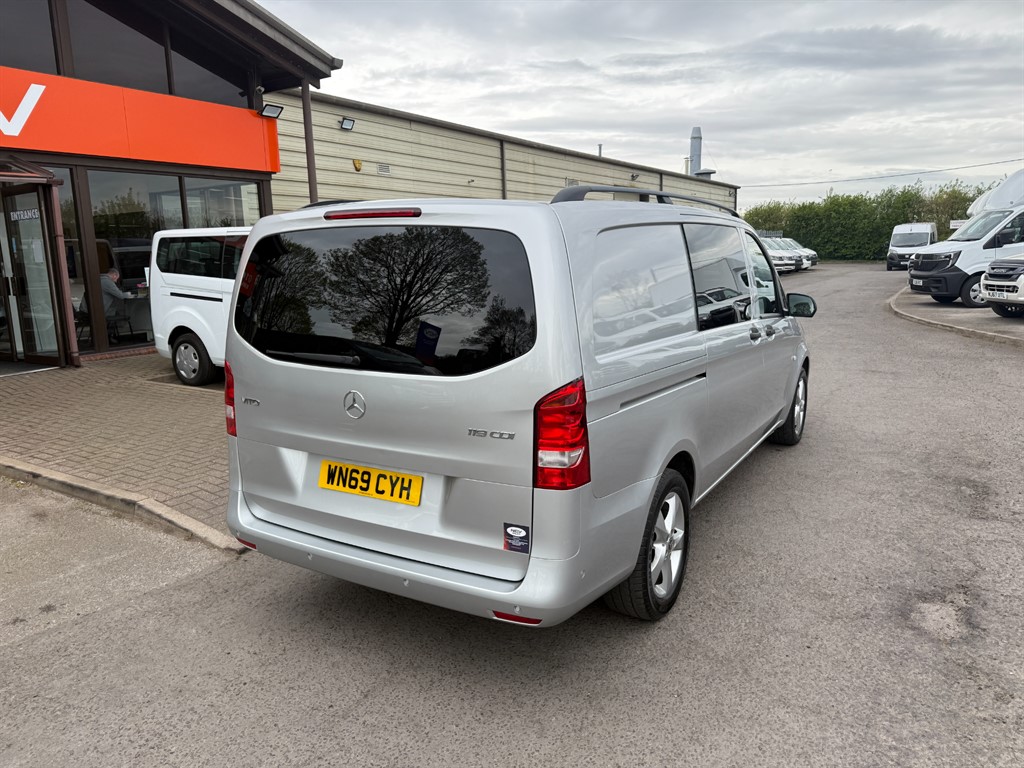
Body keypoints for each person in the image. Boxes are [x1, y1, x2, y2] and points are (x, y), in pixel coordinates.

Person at [99, 268, 132, 342]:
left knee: (116, 312)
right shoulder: (107, 282)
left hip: (99, 308)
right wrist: (129, 294)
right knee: (115, 314)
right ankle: (109, 337)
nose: (116, 281)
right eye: (116, 279)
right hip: (103, 310)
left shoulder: (101, 279)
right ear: (114, 275)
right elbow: (120, 295)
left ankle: (110, 336)